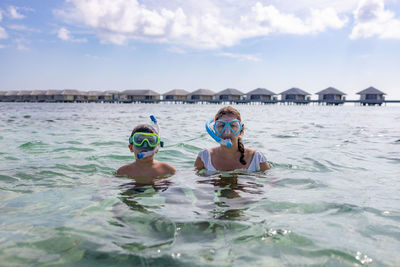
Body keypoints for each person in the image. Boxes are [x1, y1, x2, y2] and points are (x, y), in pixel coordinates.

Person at [195, 106, 270, 172]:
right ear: (215, 131)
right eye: (221, 125)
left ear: (240, 130)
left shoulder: (257, 158)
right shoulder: (204, 157)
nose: (227, 132)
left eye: (233, 125)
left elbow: (271, 184)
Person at [116, 116, 175, 181]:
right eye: (140, 141)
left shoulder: (166, 169)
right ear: (131, 148)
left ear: (157, 148)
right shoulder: (124, 171)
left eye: (150, 141)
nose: (145, 145)